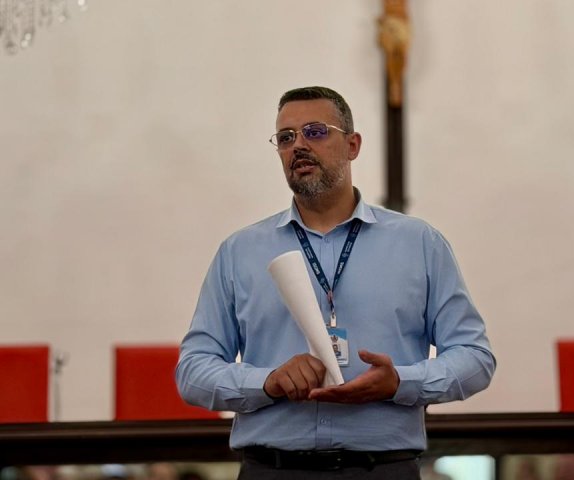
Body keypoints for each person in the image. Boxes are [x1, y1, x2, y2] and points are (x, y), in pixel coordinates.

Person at [176, 86, 496, 479]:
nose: (298, 146)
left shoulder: (419, 244)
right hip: (274, 470)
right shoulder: (240, 252)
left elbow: (474, 359)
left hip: (381, 470)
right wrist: (267, 382)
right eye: (286, 138)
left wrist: (401, 382)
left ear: (352, 145)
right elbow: (193, 371)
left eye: (315, 131)